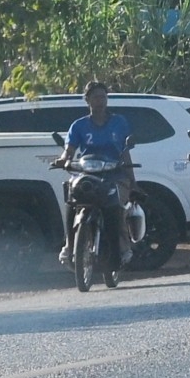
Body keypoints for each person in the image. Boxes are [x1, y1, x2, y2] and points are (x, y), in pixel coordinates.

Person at [52, 81, 137, 266]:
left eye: (103, 97)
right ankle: (69, 246)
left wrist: (132, 181)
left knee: (117, 207)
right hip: (87, 174)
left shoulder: (119, 122)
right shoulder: (79, 126)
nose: (101, 101)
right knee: (71, 197)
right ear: (87, 100)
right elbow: (69, 150)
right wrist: (63, 159)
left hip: (114, 174)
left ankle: (123, 249)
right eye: (96, 97)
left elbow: (125, 152)